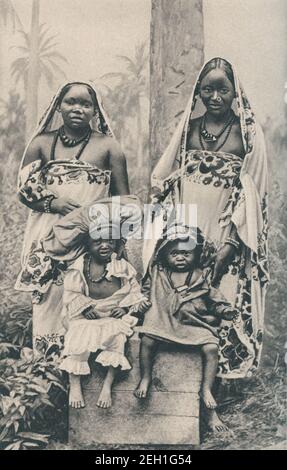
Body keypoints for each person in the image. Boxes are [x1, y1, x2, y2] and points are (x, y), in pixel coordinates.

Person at [143, 58, 269, 430]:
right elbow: (167, 181)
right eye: (208, 89)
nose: (215, 96)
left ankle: (213, 399)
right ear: (198, 92)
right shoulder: (188, 130)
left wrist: (230, 243)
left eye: (223, 89)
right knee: (181, 302)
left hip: (226, 229)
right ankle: (177, 394)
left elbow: (253, 194)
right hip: (186, 230)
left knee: (219, 301)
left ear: (235, 92)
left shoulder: (248, 136)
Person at [15, 81, 129, 358]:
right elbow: (23, 190)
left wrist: (114, 241)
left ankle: (82, 376)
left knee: (85, 299)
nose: (77, 108)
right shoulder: (41, 143)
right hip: (47, 237)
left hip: (90, 238)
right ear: (59, 106)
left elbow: (124, 201)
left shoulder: (109, 148)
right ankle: (47, 368)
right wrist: (54, 202)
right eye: (70, 102)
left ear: (95, 110)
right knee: (49, 302)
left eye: (85, 104)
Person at [135, 227, 236, 430]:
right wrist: (141, 304)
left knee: (211, 348)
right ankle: (145, 377)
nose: (180, 257)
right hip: (163, 321)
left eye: (186, 253)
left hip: (194, 323)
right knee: (147, 340)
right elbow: (144, 293)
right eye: (174, 253)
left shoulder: (201, 276)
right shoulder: (158, 273)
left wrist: (224, 310)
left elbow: (214, 298)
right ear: (164, 255)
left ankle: (206, 389)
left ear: (196, 254)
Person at [59, 228, 145, 409]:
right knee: (78, 334)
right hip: (86, 314)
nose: (104, 245)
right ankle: (75, 384)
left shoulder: (122, 266)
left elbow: (134, 291)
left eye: (109, 241)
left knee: (117, 338)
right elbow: (71, 292)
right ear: (87, 245)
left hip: (112, 313)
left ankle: (107, 384)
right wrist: (84, 306)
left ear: (116, 244)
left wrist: (125, 307)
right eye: (97, 242)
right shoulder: (80, 266)